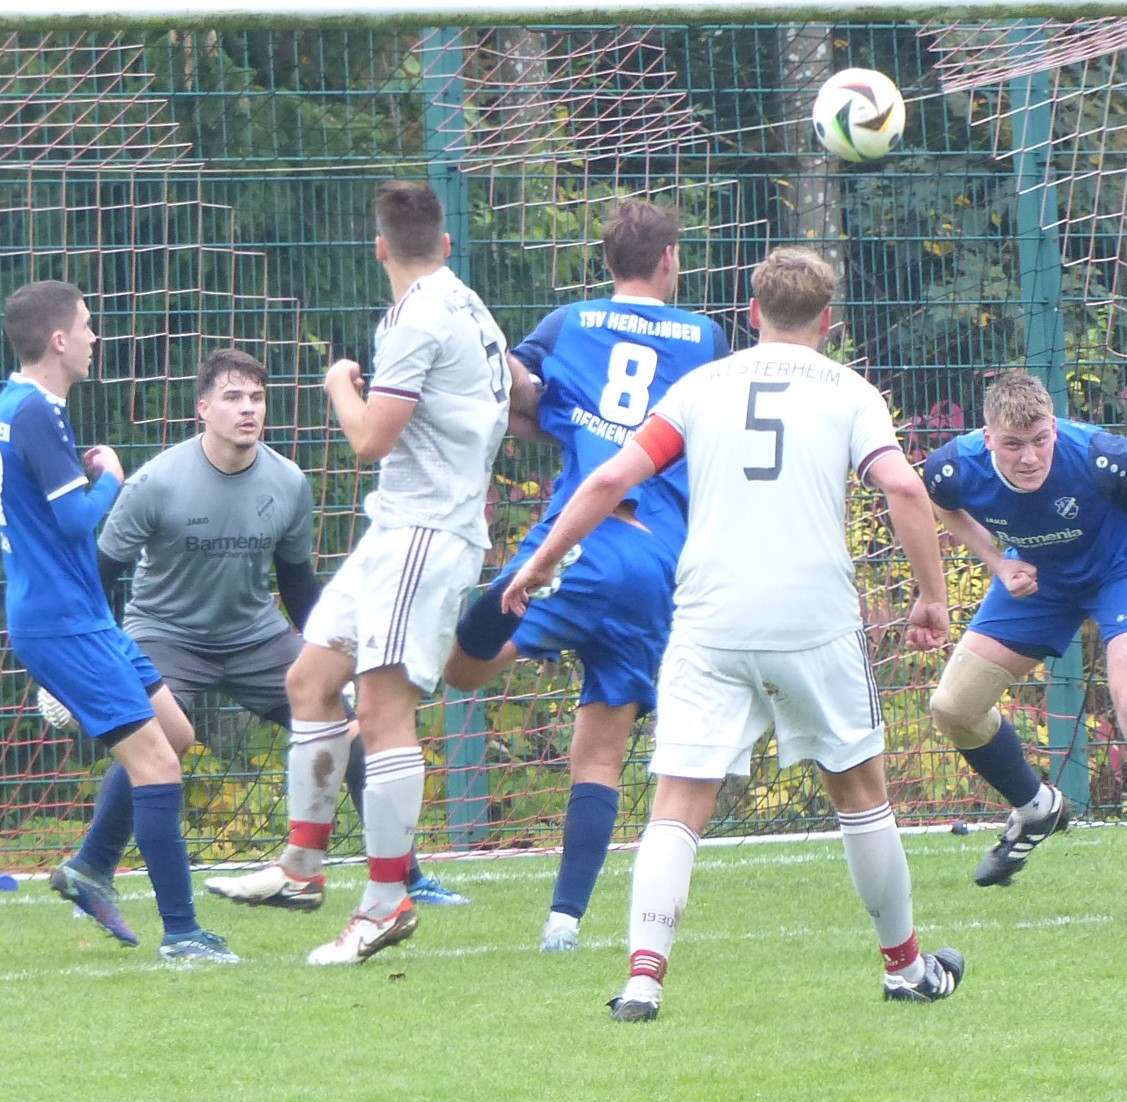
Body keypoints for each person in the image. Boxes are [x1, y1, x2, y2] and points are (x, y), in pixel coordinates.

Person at [505, 247, 963, 1021]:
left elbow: (611, 478)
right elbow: (903, 487)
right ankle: (905, 969)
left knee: (678, 800)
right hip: (812, 620)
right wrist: (932, 598)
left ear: (751, 314)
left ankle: (643, 981)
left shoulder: (700, 387)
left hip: (710, 620)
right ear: (828, 320)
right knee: (859, 792)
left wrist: (540, 562)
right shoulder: (850, 392)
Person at [207, 181, 510, 966]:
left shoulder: (415, 319)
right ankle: (300, 868)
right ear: (444, 243)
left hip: (425, 533)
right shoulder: (468, 304)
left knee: (382, 712)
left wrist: (340, 385)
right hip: (395, 530)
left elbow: (371, 439)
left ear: (378, 247)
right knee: (310, 679)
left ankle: (385, 901)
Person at [46, 347, 461, 916]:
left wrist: (335, 659)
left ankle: (405, 874)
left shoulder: (287, 482)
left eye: (257, 398)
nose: (248, 408)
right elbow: (97, 576)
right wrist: (76, 659)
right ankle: (92, 866)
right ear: (202, 409)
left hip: (256, 638)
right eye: (233, 397)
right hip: (165, 636)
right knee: (157, 740)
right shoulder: (156, 482)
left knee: (351, 730)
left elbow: (297, 584)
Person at [442, 197, 724, 953]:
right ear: (670, 260)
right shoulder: (706, 337)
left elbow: (511, 390)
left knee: (460, 671)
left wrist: (549, 409)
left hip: (583, 540)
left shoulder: (570, 323)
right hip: (660, 559)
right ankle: (563, 922)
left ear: (606, 261)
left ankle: (457, 606)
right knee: (601, 749)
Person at [0, 279, 235, 963]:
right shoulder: (38, 414)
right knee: (157, 764)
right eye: (86, 326)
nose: (94, 337)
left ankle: (90, 866)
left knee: (176, 732)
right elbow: (76, 518)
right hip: (63, 623)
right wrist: (112, 474)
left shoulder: (11, 401)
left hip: (81, 615)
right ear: (59, 341)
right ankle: (182, 935)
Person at [920, 371, 1127, 921]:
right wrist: (996, 562)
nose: (1030, 457)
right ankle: (1036, 808)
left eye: (1040, 440)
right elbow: (942, 504)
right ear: (987, 439)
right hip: (1041, 578)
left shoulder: (1101, 456)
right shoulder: (952, 467)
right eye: (1013, 445)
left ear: (1054, 429)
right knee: (953, 708)